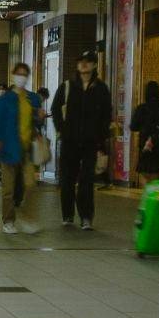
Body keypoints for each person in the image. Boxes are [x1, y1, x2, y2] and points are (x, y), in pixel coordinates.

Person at [53, 52, 113, 229]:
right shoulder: (67, 86)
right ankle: (68, 215)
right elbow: (55, 109)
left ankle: (86, 217)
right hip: (69, 141)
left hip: (90, 143)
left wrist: (100, 139)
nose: (84, 64)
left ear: (95, 65)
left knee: (87, 180)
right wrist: (62, 129)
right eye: (81, 61)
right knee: (67, 179)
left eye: (88, 62)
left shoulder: (101, 89)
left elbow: (106, 115)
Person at [0, 60, 46, 234]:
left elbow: (37, 121)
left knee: (30, 185)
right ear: (13, 75)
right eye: (19, 74)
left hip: (26, 149)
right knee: (8, 189)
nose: (21, 77)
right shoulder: (5, 99)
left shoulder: (32, 99)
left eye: (24, 74)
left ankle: (28, 218)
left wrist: (39, 118)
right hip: (8, 148)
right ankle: (8, 221)